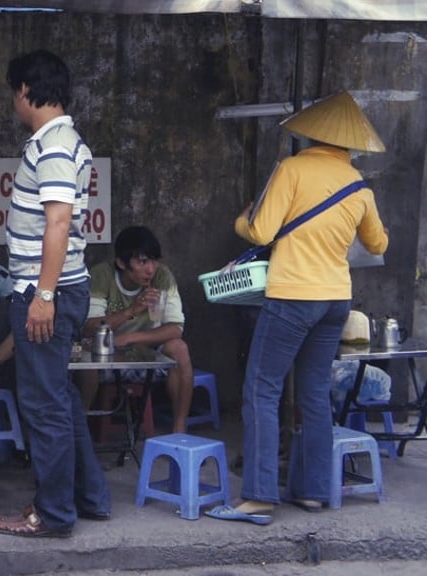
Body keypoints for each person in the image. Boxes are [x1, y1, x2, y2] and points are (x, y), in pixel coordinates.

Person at [207, 91, 389, 525]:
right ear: (349, 142)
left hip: (293, 295)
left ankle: (258, 497)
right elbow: (378, 243)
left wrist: (241, 219)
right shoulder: (360, 187)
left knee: (261, 389)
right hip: (335, 300)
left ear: (313, 134)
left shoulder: (291, 169)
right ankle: (312, 492)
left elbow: (262, 231)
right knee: (313, 393)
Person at [0, 49, 110, 538]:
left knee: (42, 407)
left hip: (47, 291)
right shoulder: (55, 141)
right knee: (57, 399)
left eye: (13, 93)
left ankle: (53, 513)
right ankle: (89, 497)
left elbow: (58, 221)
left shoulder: (56, 145)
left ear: (25, 90)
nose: (13, 102)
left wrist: (43, 294)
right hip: (55, 287)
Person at [78, 225, 194, 434]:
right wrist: (131, 310)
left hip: (146, 354)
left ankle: (179, 432)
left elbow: (176, 329)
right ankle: (79, 433)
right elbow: (89, 328)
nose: (151, 269)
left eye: (154, 260)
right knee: (87, 359)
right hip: (106, 355)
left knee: (179, 348)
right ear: (122, 263)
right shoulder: (102, 276)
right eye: (142, 262)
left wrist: (131, 338)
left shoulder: (161, 277)